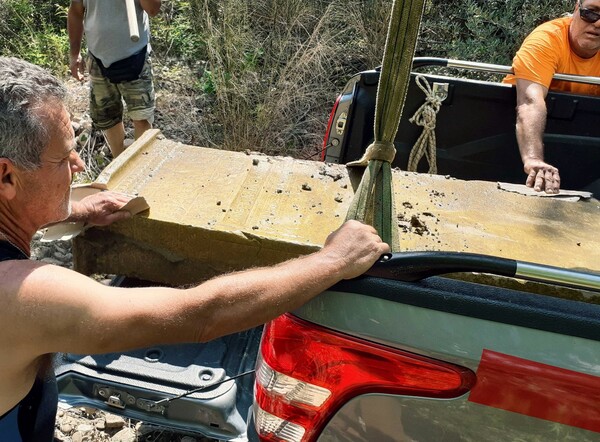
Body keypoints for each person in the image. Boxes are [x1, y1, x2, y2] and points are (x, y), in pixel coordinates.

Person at [0, 57, 390, 441]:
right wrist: (334, 259)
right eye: (62, 157)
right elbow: (202, 314)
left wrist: (77, 209)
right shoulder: (24, 297)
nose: (79, 165)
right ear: (7, 176)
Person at [503, 0, 600, 194]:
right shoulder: (546, 40)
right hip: (511, 140)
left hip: (583, 152)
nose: (597, 24)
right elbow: (530, 102)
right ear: (576, 9)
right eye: (591, 13)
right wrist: (533, 159)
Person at [68, 0, 162, 158]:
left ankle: (141, 166)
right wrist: (74, 53)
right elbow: (76, 13)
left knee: (141, 117)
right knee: (108, 117)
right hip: (98, 58)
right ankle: (119, 163)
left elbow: (153, 9)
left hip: (135, 56)